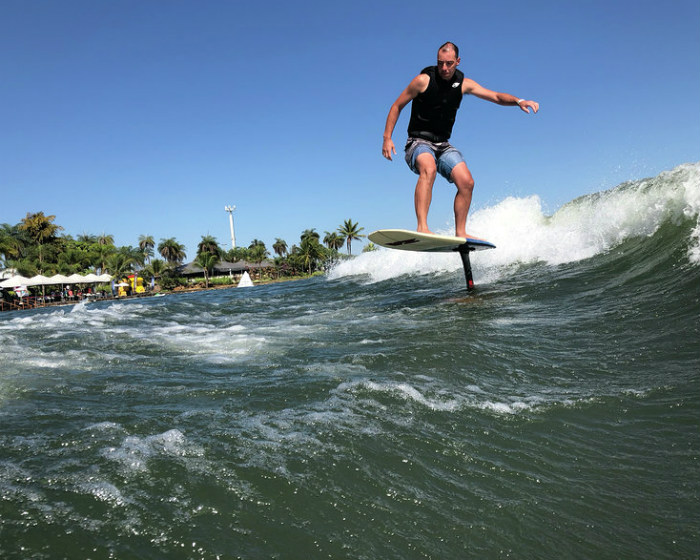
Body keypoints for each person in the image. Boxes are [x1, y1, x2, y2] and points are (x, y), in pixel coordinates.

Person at [382, 41, 539, 238]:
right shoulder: (423, 80)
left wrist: (518, 101)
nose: (444, 68)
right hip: (418, 142)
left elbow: (496, 96)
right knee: (429, 168)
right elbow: (396, 106)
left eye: (449, 63)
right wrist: (387, 138)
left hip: (443, 145)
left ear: (457, 61)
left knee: (467, 182)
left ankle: (461, 232)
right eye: (440, 63)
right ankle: (422, 227)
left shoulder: (464, 84)